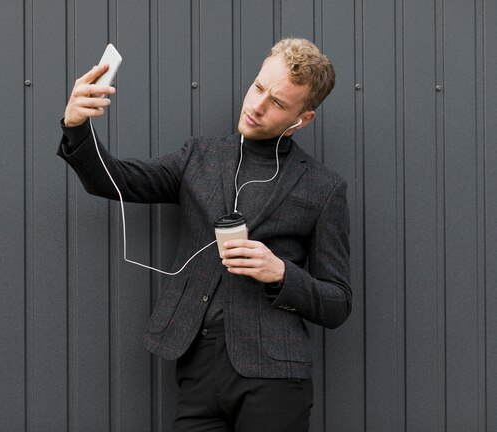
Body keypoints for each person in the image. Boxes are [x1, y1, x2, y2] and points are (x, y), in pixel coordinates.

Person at [58, 38, 351, 432]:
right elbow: (116, 180)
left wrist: (281, 273)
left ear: (303, 119)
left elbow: (338, 302)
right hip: (198, 365)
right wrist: (77, 127)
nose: (257, 105)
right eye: (258, 87)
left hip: (276, 375)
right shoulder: (200, 156)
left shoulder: (323, 186)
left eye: (278, 103)